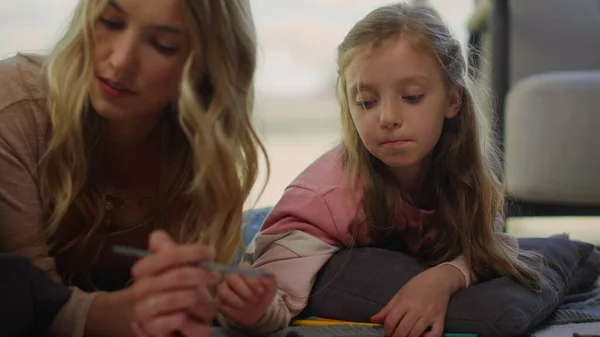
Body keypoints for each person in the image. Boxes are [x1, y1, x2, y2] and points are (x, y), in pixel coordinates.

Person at [215, 3, 544, 337]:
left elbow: (490, 243)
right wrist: (251, 311)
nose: (387, 117)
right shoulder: (323, 199)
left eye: (412, 96)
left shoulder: (465, 174)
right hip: (261, 233)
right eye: (367, 102)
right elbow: (273, 303)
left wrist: (445, 277)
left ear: (453, 101)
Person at [0, 0, 274, 336]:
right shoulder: (14, 107)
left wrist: (240, 308)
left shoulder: (203, 156)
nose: (120, 60)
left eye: (162, 45)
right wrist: (127, 312)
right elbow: (31, 307)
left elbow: (207, 300)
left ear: (206, 65)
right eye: (111, 22)